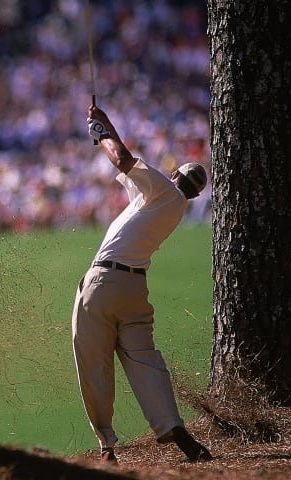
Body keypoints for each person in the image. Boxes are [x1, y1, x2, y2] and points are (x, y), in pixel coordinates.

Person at [72, 104, 213, 463]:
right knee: (145, 362)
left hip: (104, 282)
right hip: (135, 290)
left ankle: (106, 446)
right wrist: (105, 124)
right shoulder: (164, 204)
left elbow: (121, 159)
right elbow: (124, 160)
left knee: (93, 361)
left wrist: (99, 132)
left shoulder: (162, 190)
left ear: (175, 174)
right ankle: (172, 428)